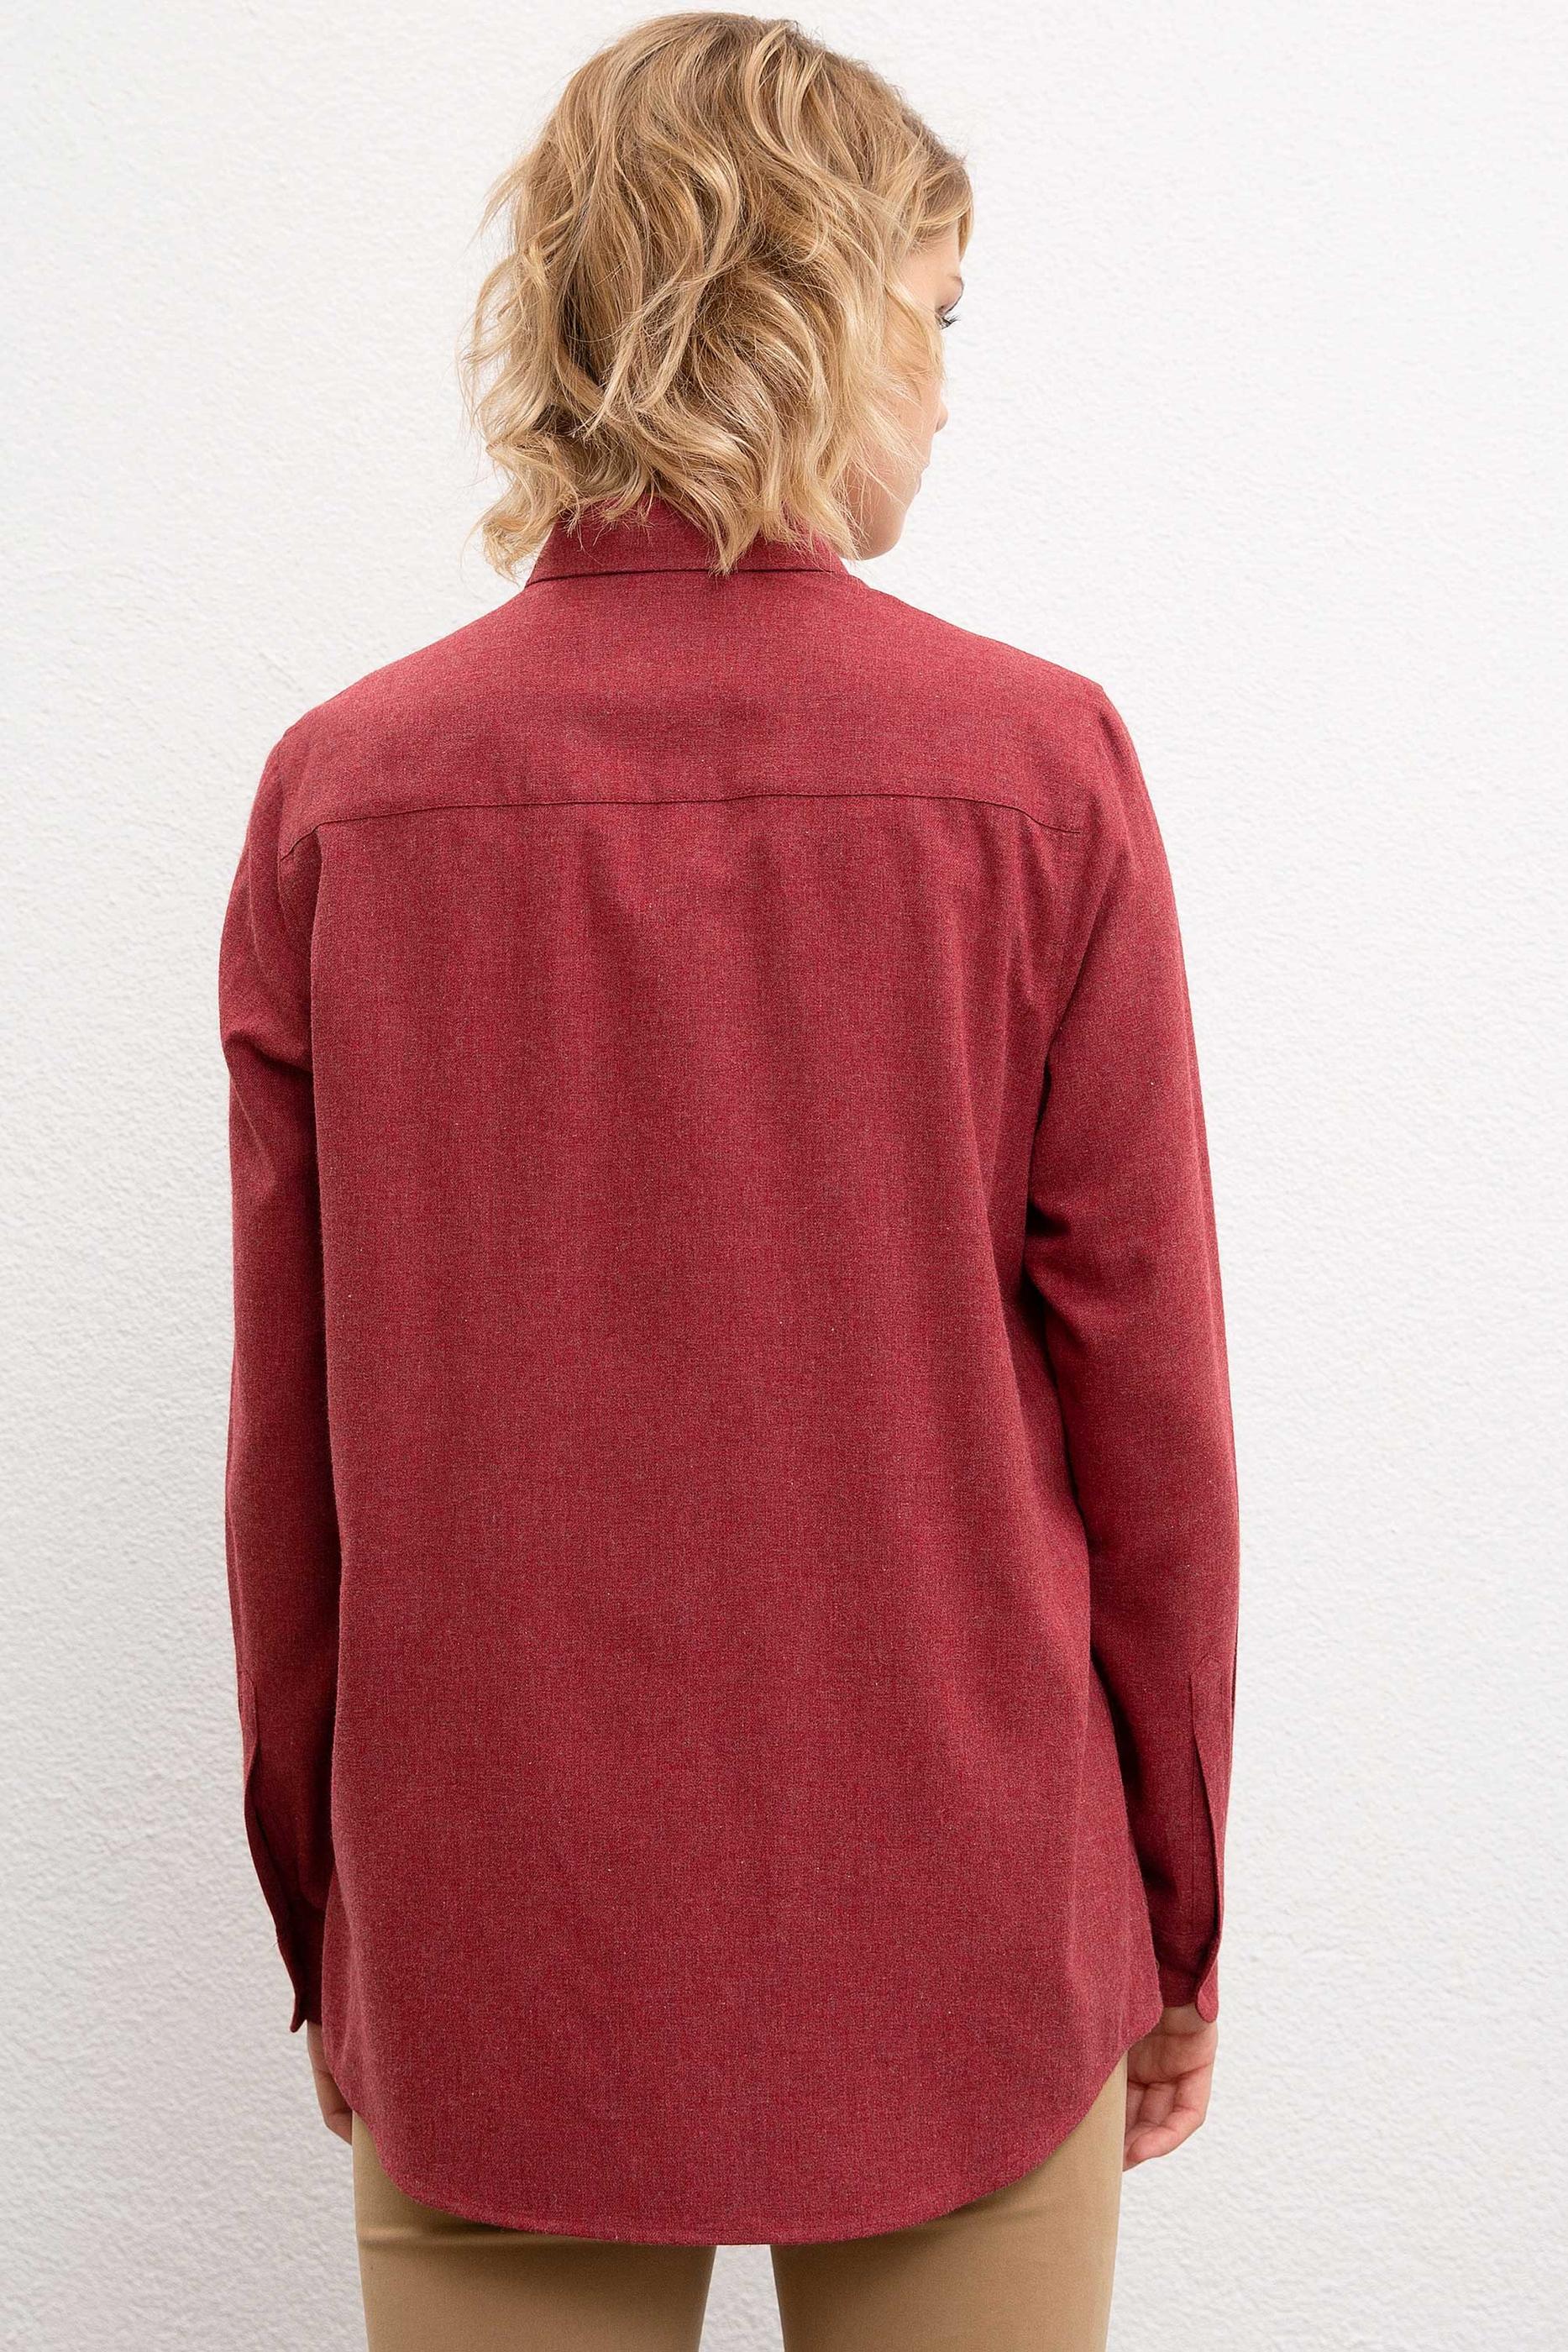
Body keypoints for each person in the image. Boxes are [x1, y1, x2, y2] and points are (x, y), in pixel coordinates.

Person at [218, 13, 1240, 2348]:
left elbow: (295, 1460)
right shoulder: (1036, 770)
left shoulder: (343, 798)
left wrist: (333, 1922)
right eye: (938, 315)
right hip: (970, 1938)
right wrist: (1172, 1914)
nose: (951, 393)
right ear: (804, 305)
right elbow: (1152, 1417)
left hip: (495, 1942)